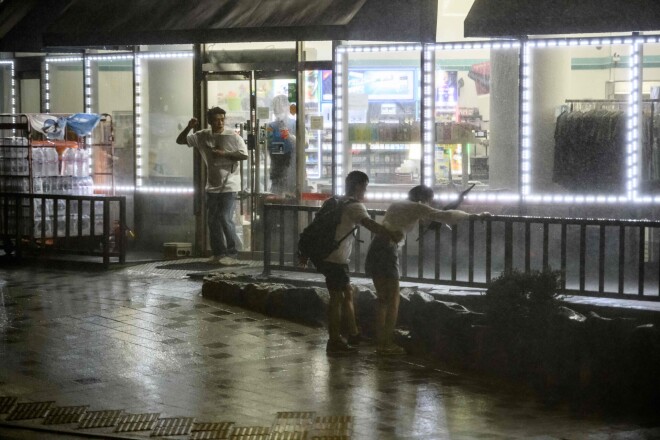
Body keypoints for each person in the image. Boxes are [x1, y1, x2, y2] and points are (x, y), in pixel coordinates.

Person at [365, 185, 489, 355]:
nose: (430, 204)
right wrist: (474, 216)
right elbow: (444, 216)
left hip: (375, 247)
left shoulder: (397, 204)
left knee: (382, 299)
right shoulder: (417, 206)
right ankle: (386, 345)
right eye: (429, 201)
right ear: (423, 199)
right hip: (388, 250)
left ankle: (380, 341)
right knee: (393, 299)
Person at [315, 170, 402, 354]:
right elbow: (370, 225)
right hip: (335, 258)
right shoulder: (355, 205)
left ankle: (353, 334)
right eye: (365, 187)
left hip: (326, 255)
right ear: (359, 186)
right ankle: (334, 340)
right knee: (337, 298)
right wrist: (391, 234)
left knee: (346, 292)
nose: (365, 191)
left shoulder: (334, 200)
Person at [176, 107, 248, 265]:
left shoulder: (232, 136)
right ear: (210, 121)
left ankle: (232, 253)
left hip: (230, 184)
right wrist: (189, 127)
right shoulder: (202, 136)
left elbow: (244, 154)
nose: (220, 122)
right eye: (216, 119)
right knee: (212, 220)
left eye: (222, 119)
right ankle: (218, 253)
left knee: (225, 217)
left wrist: (225, 154)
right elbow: (180, 140)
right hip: (212, 185)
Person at [266, 95, 297, 196]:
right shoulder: (269, 126)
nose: (277, 109)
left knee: (290, 199)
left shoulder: (295, 124)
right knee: (276, 197)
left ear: (286, 107)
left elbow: (304, 143)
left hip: (291, 169)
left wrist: (289, 136)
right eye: (275, 106)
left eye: (279, 106)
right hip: (276, 169)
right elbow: (264, 143)